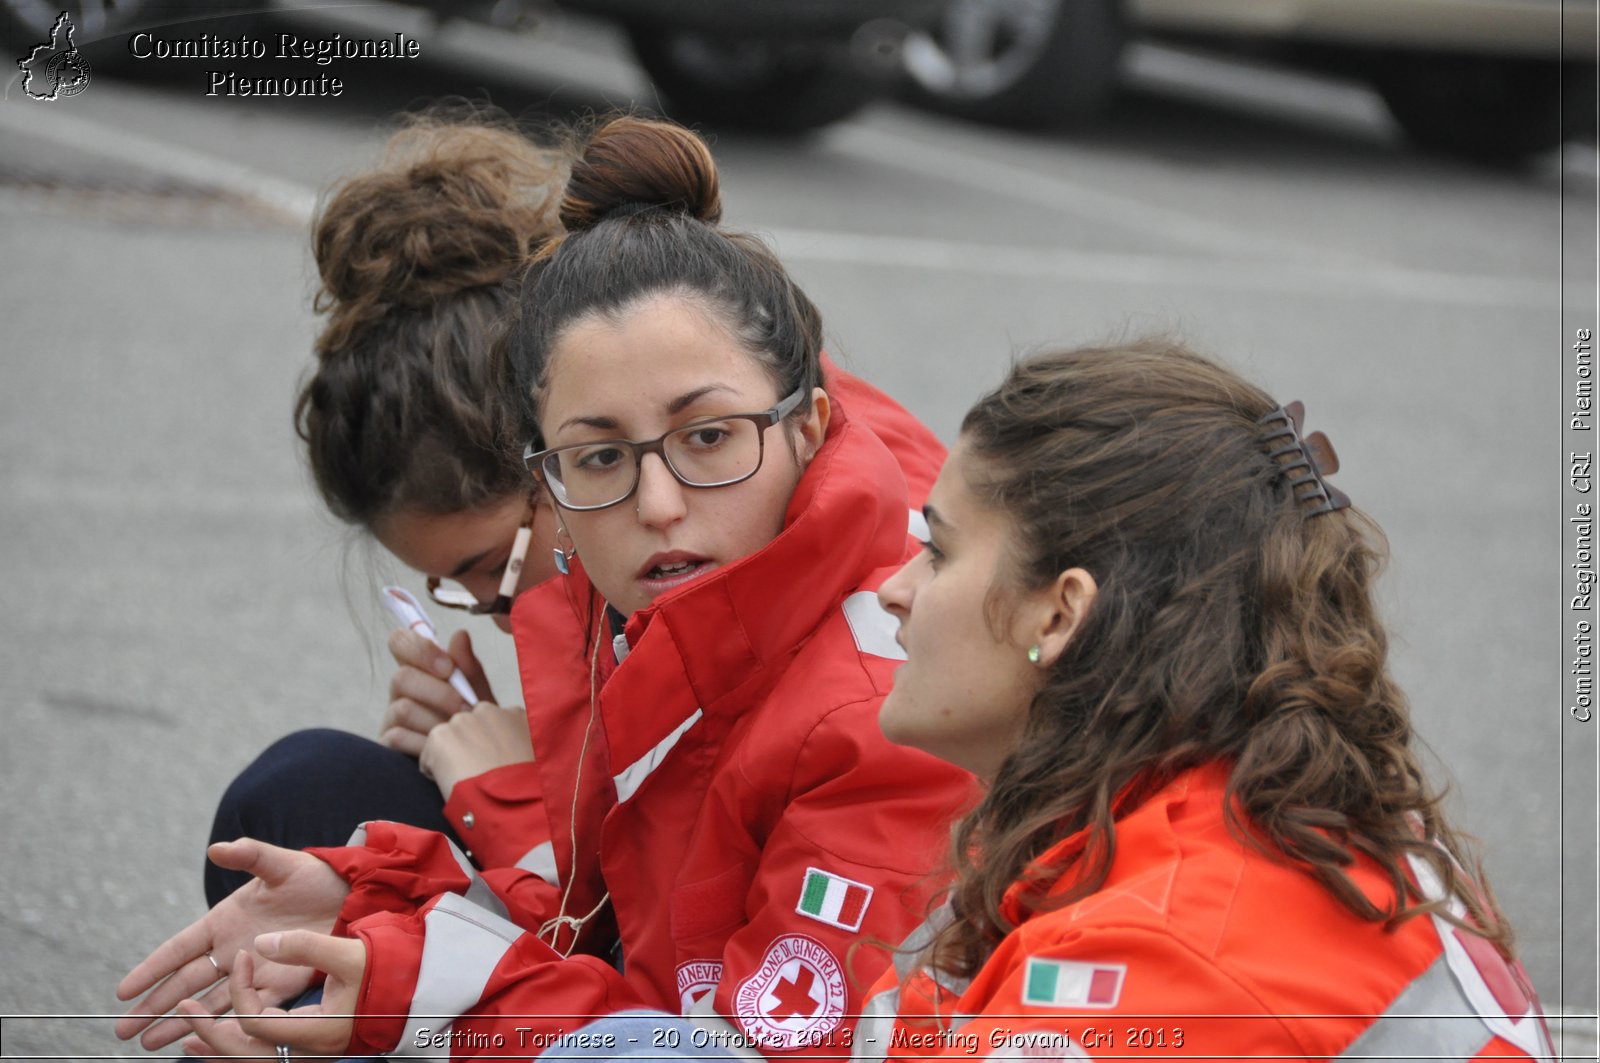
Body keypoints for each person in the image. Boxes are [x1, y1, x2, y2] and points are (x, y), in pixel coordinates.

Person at [116, 114, 971, 1061]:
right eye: (600, 455)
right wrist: (377, 898)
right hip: (675, 1005)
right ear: (553, 461)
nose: (656, 502)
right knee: (302, 824)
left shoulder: (876, 685)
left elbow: (698, 1040)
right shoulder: (661, 553)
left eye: (708, 437)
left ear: (806, 427)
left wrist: (484, 822)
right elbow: (631, 931)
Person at [856, 339, 1554, 1059]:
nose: (895, 590)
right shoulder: (1219, 806)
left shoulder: (1163, 949)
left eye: (938, 551)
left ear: (1061, 614)